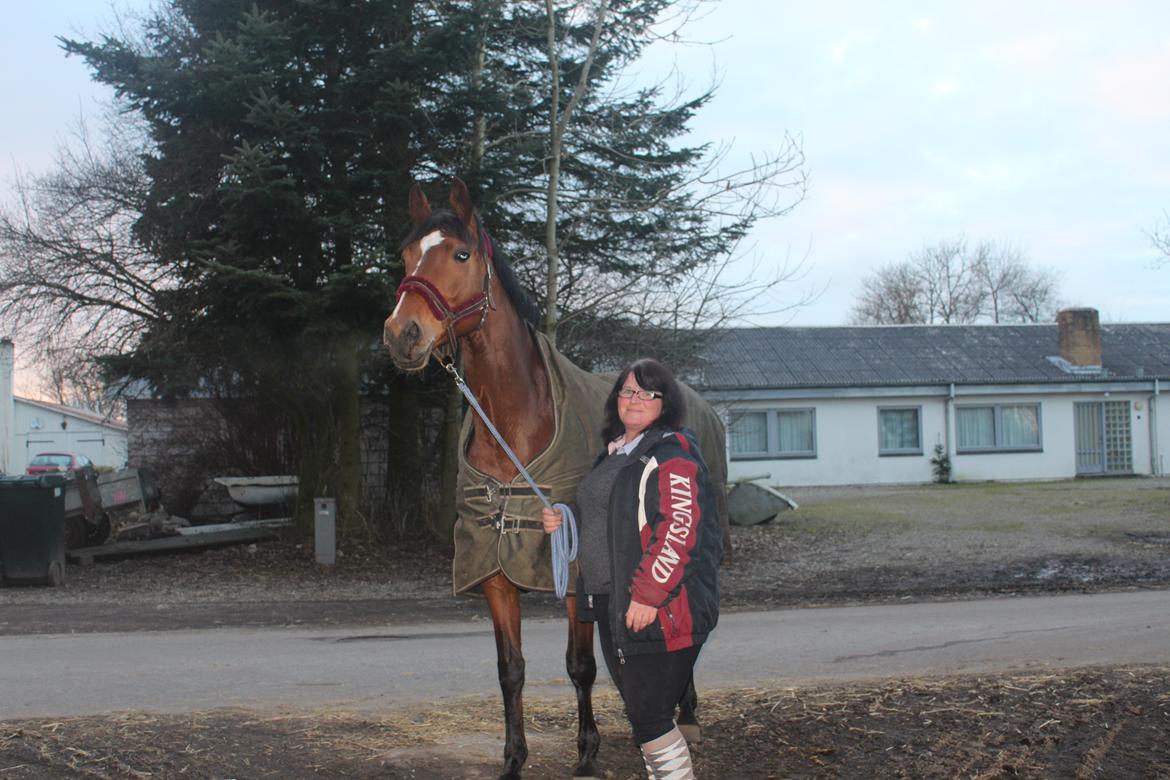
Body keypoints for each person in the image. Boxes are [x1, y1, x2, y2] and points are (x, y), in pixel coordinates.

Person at [543, 358, 721, 780]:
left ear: (665, 403)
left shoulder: (671, 453)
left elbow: (680, 530)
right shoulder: (618, 454)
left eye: (647, 393)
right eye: (627, 391)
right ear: (615, 400)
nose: (634, 399)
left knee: (650, 716)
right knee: (645, 716)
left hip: (659, 606)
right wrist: (566, 516)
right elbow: (617, 517)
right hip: (611, 601)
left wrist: (648, 594)